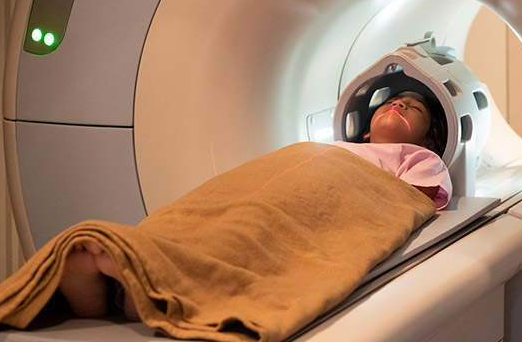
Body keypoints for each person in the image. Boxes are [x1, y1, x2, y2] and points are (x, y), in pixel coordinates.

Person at [57, 88, 452, 321]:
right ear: (364, 129)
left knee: (250, 232)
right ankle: (138, 256)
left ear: (427, 140)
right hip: (292, 178)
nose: (398, 106)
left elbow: (407, 205)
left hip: (333, 196)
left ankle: (135, 285)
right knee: (216, 210)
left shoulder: (418, 159)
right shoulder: (334, 146)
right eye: (392, 102)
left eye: (413, 109)